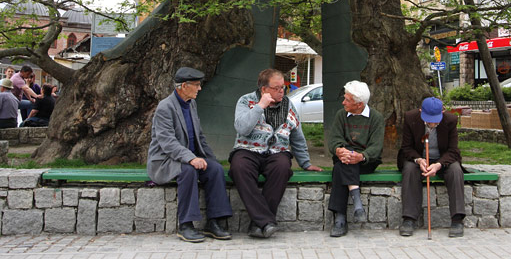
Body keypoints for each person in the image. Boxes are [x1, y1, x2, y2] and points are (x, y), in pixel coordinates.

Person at [228, 68, 322, 238]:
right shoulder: (246, 101)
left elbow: (297, 137)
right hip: (248, 149)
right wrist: (259, 107)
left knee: (282, 168)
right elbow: (242, 128)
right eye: (277, 88)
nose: (281, 91)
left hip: (277, 151)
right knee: (239, 167)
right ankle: (266, 221)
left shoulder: (289, 105)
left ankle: (258, 224)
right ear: (264, 89)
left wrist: (306, 163)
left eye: (283, 88)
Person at [147, 67, 233, 243]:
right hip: (165, 160)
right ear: (184, 86)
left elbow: (199, 136)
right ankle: (185, 225)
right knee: (188, 171)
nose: (200, 88)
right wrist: (191, 158)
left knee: (215, 169)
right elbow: (167, 143)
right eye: (196, 85)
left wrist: (211, 159)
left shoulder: (191, 104)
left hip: (188, 157)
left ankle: (214, 222)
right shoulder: (165, 107)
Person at [397, 97, 465, 238]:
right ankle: (409, 219)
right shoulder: (411, 118)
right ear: (421, 111)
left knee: (456, 170)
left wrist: (439, 164)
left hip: (443, 159)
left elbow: (453, 151)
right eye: (428, 120)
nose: (432, 124)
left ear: (443, 111)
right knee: (409, 170)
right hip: (418, 158)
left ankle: (457, 219)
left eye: (435, 120)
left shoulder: (450, 120)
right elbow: (406, 147)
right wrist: (419, 160)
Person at [327, 80, 384, 237]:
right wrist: (339, 150)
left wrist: (361, 156)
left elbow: (376, 147)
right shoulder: (341, 115)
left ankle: (340, 218)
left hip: (366, 161)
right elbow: (334, 140)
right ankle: (356, 201)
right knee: (343, 162)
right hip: (344, 158)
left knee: (342, 166)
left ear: (359, 104)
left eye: (347, 100)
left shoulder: (376, 118)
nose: (343, 102)